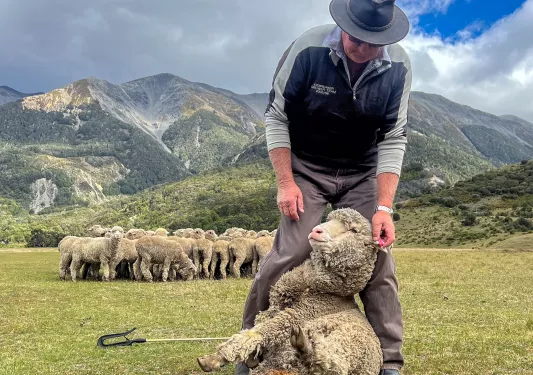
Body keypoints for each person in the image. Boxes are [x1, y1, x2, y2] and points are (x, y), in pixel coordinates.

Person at [237, 0, 411, 374]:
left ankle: (390, 362)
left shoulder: (399, 66)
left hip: (362, 170)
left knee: (378, 261)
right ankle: (251, 347)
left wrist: (383, 208)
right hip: (308, 167)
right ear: (343, 24)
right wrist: (286, 183)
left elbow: (394, 137)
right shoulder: (308, 49)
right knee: (290, 252)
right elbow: (276, 116)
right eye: (356, 40)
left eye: (373, 43)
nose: (363, 50)